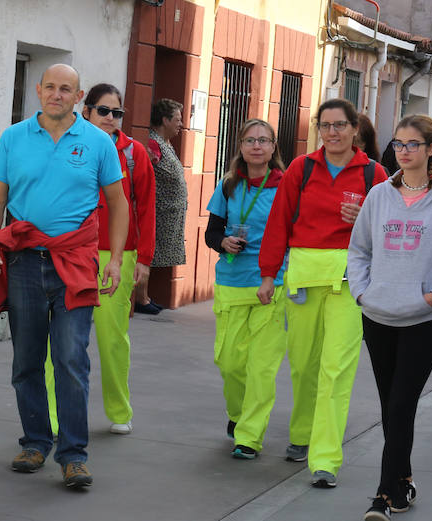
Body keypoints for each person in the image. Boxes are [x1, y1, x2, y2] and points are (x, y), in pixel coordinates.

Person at [0, 64, 129, 487]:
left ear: (79, 96)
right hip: (24, 263)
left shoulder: (99, 143)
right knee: (26, 360)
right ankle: (35, 442)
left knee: (69, 358)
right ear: (39, 92)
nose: (56, 95)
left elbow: (118, 204)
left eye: (66, 89)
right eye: (50, 87)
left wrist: (114, 260)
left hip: (76, 264)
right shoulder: (13, 138)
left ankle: (74, 454)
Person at [347, 115, 432, 520]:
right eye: (398, 144)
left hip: (423, 319)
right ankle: (402, 480)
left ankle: (383, 497)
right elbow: (360, 250)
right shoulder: (378, 196)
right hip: (378, 315)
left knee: (401, 405)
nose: (402, 151)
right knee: (391, 407)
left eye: (412, 144)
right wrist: (362, 290)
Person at [258, 98, 388, 488]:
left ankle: (326, 458)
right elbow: (279, 223)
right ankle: (302, 434)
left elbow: (389, 226)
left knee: (337, 370)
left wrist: (364, 212)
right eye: (325, 125)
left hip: (350, 282)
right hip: (302, 278)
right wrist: (268, 275)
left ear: (354, 129)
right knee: (303, 365)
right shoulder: (301, 167)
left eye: (339, 125)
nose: (332, 132)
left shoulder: (374, 174)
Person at [44, 83, 156, 436]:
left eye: (117, 113)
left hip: (117, 255)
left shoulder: (134, 153)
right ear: (87, 111)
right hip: (71, 253)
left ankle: (119, 410)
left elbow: (147, 208)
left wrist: (144, 259)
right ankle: (53, 416)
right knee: (58, 341)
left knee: (112, 339)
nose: (110, 118)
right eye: (104, 111)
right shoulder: (66, 145)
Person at [204, 119, 287, 459]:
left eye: (263, 140)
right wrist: (223, 241)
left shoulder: (285, 186)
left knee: (262, 366)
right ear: (240, 146)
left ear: (272, 148)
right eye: (250, 140)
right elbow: (211, 233)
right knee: (229, 362)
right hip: (232, 283)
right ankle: (238, 416)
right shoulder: (228, 186)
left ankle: (249, 436)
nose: (256, 146)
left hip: (274, 283)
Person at [137, 98, 188, 314]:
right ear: (164, 120)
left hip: (167, 213)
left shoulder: (166, 142)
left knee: (155, 254)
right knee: (147, 254)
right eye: (177, 119)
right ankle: (141, 299)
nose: (181, 123)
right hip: (156, 212)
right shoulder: (153, 143)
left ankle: (145, 296)